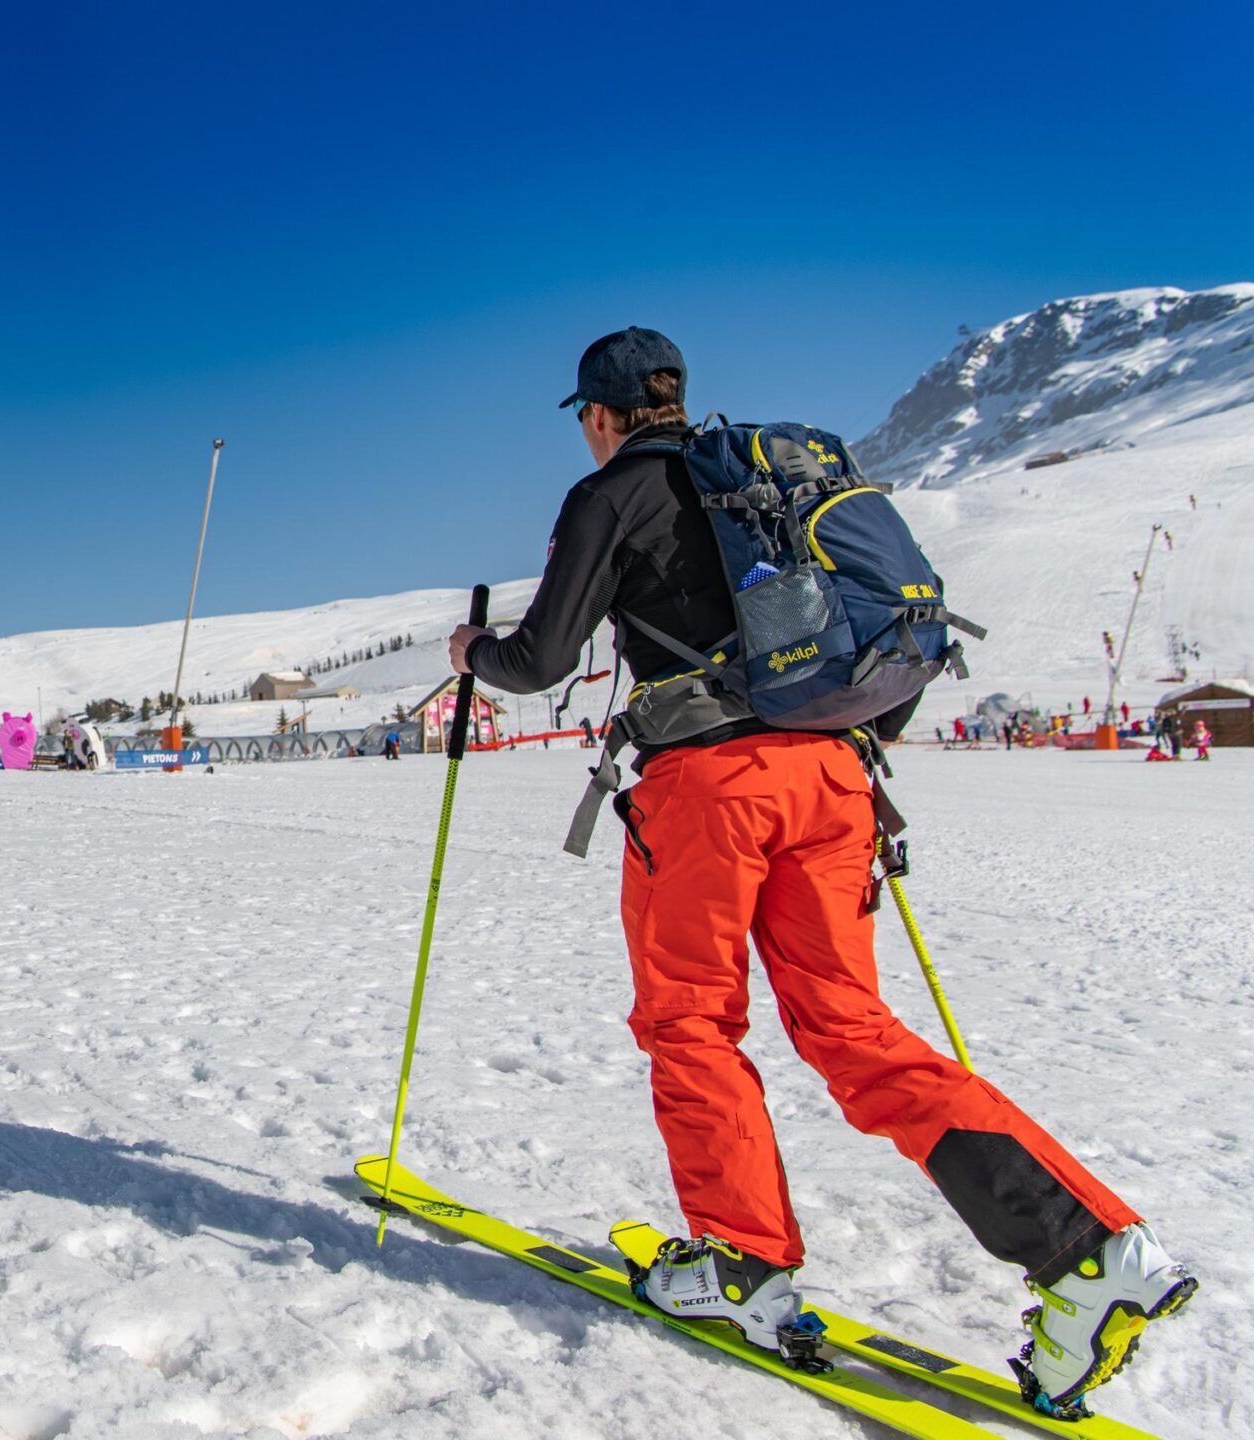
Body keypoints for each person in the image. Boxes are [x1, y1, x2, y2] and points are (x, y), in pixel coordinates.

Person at [450, 327, 1193, 1412]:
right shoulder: (762, 485)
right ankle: (1090, 1251)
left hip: (708, 792)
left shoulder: (610, 495)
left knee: (691, 1021)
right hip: (836, 780)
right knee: (851, 1028)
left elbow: (539, 662)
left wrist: (469, 654)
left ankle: (741, 1264)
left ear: (599, 416)